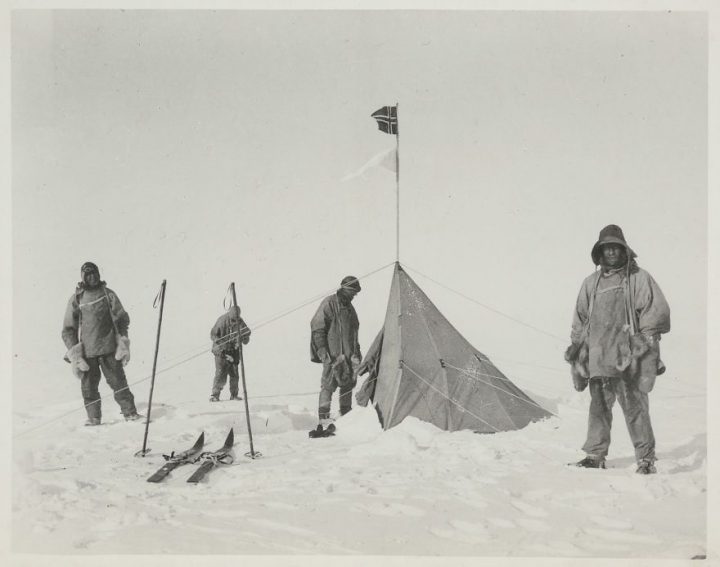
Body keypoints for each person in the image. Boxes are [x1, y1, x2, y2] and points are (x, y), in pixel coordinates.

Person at [565, 225, 670, 474]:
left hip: (628, 357)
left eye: (615, 246)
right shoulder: (590, 283)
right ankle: (595, 455)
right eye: (606, 248)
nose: (611, 252)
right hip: (599, 357)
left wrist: (644, 344)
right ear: (599, 252)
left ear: (624, 249)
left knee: (636, 409)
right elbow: (580, 320)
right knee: (598, 409)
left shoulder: (639, 278)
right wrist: (578, 349)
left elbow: (655, 312)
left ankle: (645, 459)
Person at [61, 262, 141, 426]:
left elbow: (122, 318)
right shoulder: (77, 298)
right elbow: (68, 328)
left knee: (118, 382)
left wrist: (123, 340)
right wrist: (74, 352)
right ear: (83, 277)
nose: (93, 277)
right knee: (89, 388)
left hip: (109, 348)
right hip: (87, 353)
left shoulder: (107, 294)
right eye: (88, 274)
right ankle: (94, 418)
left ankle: (130, 413)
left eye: (95, 273)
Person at [310, 276, 362, 432]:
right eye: (353, 292)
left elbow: (354, 333)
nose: (354, 295)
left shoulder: (351, 309)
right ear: (345, 289)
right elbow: (317, 327)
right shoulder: (329, 303)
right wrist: (322, 350)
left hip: (348, 355)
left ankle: (345, 416)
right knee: (328, 385)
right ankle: (323, 419)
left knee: (347, 384)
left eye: (356, 293)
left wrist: (356, 353)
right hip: (332, 355)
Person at [209, 305, 251, 402]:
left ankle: (234, 394)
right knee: (221, 374)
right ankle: (215, 395)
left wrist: (243, 338)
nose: (235, 320)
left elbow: (247, 333)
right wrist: (220, 343)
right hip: (221, 351)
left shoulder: (240, 321)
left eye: (237, 318)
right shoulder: (222, 320)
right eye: (233, 318)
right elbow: (213, 334)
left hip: (233, 351)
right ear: (230, 314)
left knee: (234, 374)